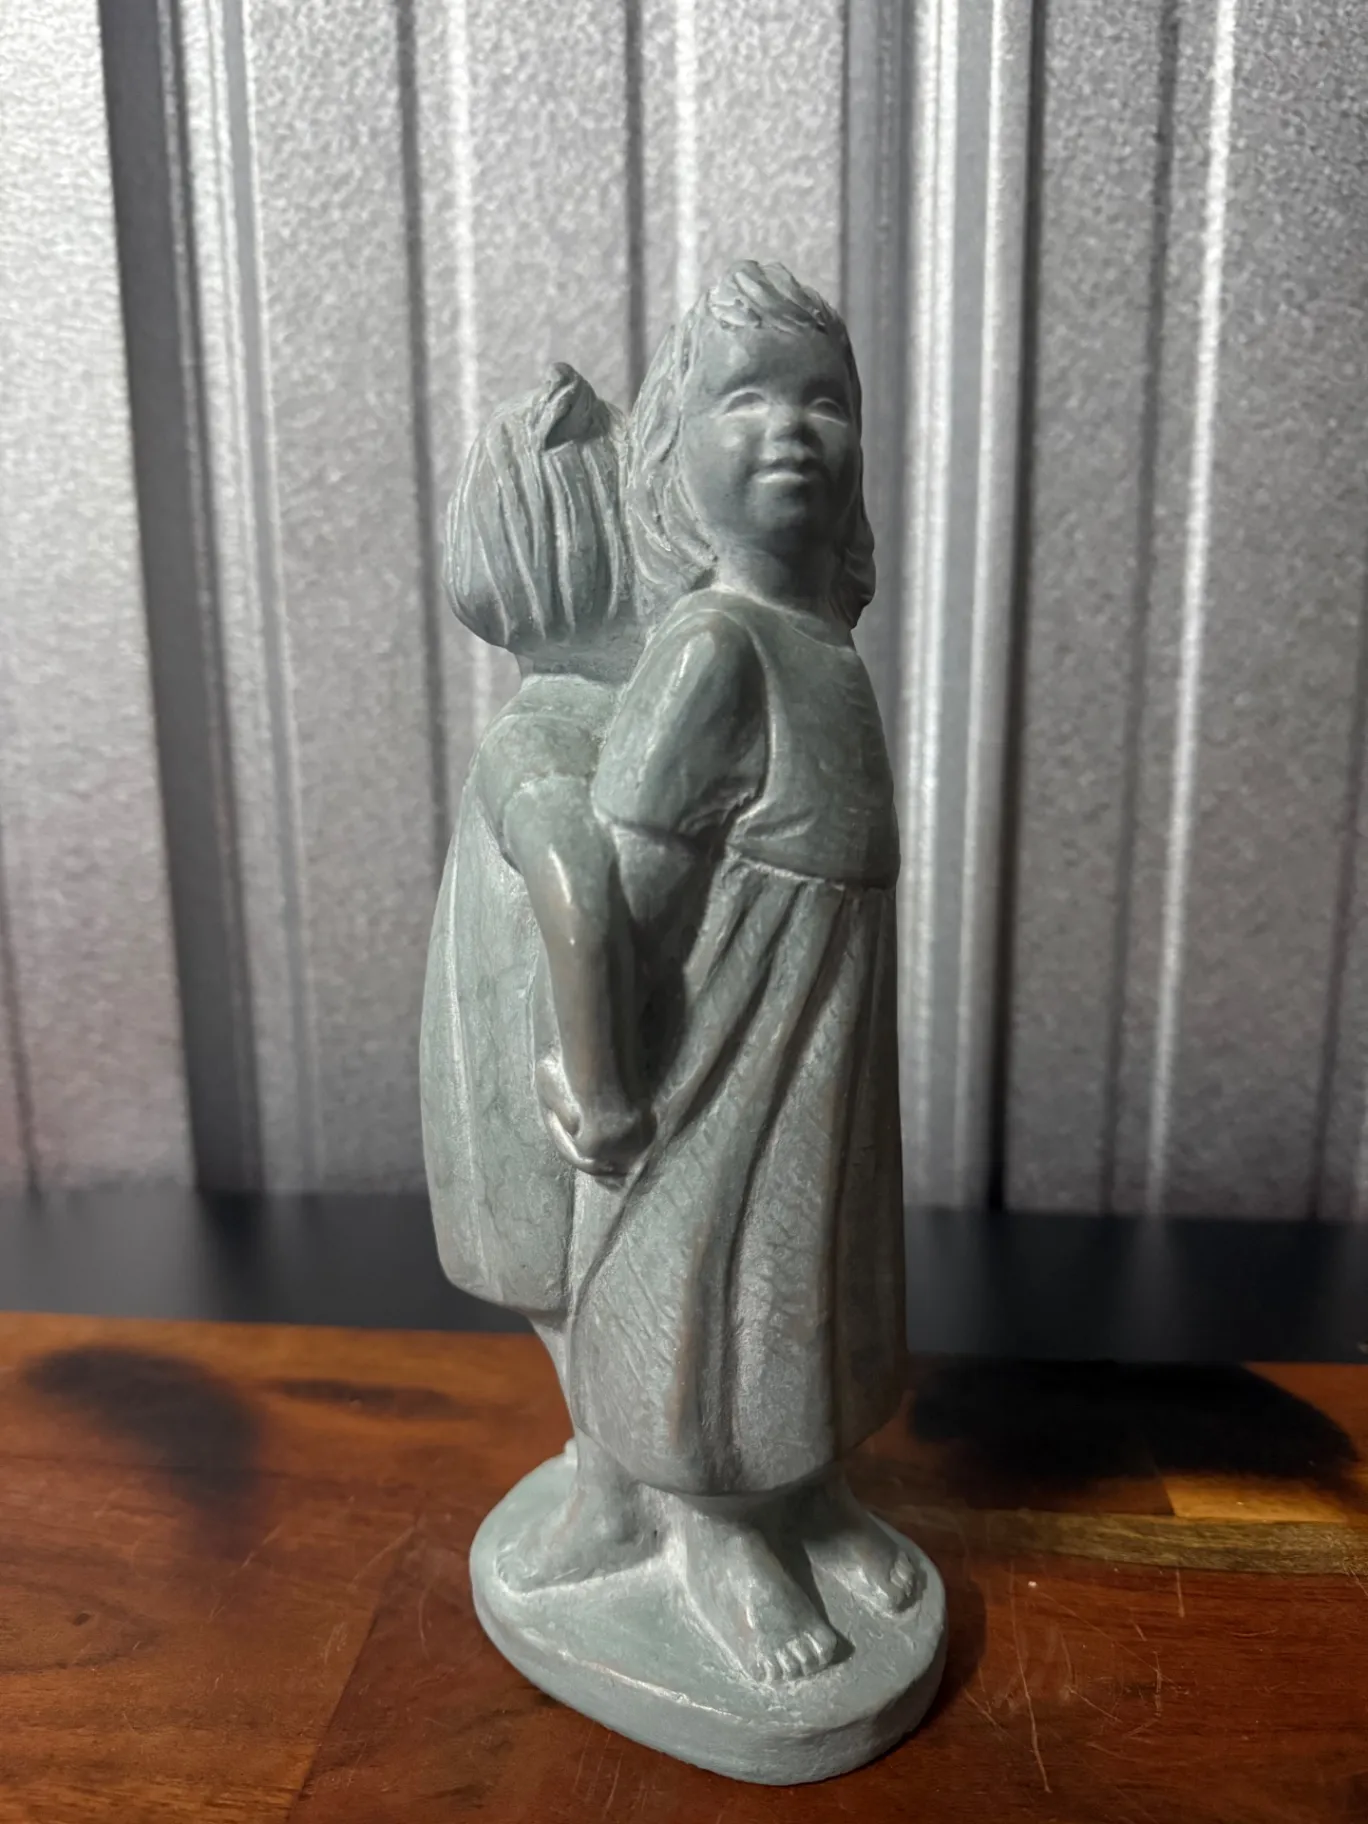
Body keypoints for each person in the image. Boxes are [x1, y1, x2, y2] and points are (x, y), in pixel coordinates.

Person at [526, 262, 914, 1686]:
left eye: (825, 402)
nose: (791, 430)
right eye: (744, 399)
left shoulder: (826, 648)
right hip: (717, 1059)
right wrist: (600, 1080)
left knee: (810, 1288)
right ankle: (716, 1534)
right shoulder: (711, 651)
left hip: (825, 1043)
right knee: (717, 1303)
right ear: (672, 454)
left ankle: (803, 1496)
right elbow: (623, 902)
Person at [420, 365, 653, 1579]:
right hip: (555, 1054)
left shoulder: (548, 727)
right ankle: (620, 1484)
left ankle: (615, 1495)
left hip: (547, 1065)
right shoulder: (615, 717)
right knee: (581, 1287)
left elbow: (576, 890)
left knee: (573, 1293)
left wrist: (597, 1086)